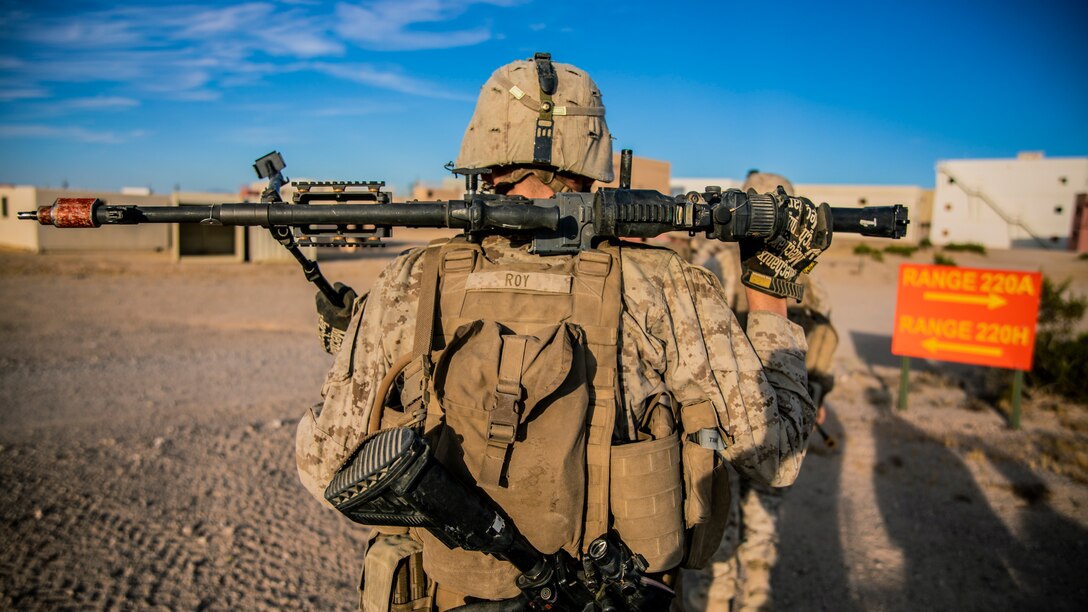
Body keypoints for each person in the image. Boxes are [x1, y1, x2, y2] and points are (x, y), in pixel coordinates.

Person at [296, 53, 828, 611]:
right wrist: (770, 290)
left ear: (481, 153)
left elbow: (326, 468)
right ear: (596, 155)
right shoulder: (668, 285)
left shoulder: (408, 280)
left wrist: (355, 351)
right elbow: (776, 457)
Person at [682, 171, 839, 612]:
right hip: (786, 403)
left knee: (720, 522)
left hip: (731, 410)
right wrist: (816, 393)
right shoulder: (801, 261)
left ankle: (722, 600)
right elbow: (824, 334)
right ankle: (755, 596)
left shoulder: (719, 255)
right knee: (762, 511)